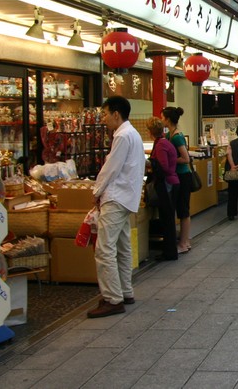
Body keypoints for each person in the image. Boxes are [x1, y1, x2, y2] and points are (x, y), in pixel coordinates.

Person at [88, 96, 145, 318]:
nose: (103, 119)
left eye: (104, 114)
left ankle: (113, 298)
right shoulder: (133, 134)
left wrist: (96, 191)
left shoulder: (122, 135)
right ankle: (125, 291)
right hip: (127, 197)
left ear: (116, 114)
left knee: (105, 249)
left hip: (116, 197)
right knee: (122, 246)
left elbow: (111, 168)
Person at [146, 117, 179, 261]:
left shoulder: (160, 145)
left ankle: (169, 251)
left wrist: (150, 165)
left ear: (150, 131)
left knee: (167, 219)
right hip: (171, 182)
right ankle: (169, 250)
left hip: (166, 184)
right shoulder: (164, 142)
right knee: (168, 218)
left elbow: (163, 167)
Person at [161, 106, 193, 254]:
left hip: (183, 176)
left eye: (162, 117)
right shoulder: (170, 134)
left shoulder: (177, 136)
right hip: (177, 176)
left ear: (167, 119)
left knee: (183, 210)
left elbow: (185, 158)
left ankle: (184, 242)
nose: (161, 120)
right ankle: (184, 240)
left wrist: (170, 160)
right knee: (181, 208)